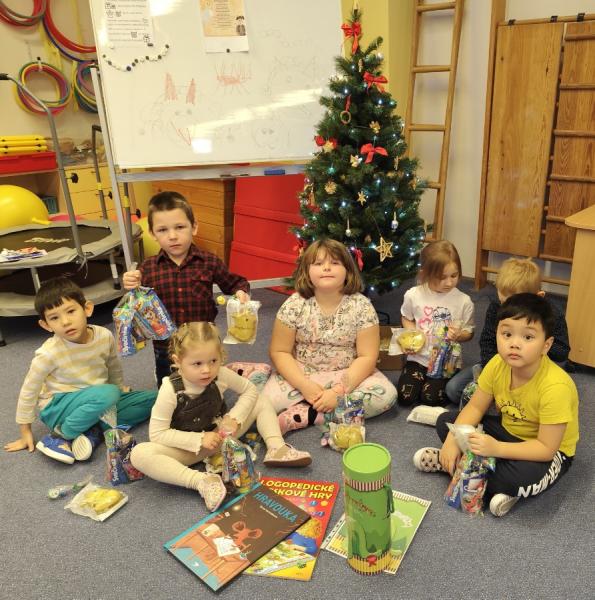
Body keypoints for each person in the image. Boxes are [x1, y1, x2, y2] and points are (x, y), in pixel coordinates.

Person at [413, 294, 579, 517]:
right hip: (508, 433)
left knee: (516, 479)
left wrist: (496, 449)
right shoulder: (497, 364)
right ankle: (469, 465)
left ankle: (461, 467)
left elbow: (546, 448)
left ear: (546, 345)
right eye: (507, 334)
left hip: (549, 450)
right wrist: (453, 440)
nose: (514, 343)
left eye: (528, 337)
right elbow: (475, 408)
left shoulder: (556, 386)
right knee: (447, 423)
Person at [130, 322, 311, 512]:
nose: (207, 370)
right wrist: (200, 439)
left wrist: (234, 418)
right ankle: (202, 481)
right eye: (197, 364)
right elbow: (157, 434)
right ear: (178, 361)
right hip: (187, 450)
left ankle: (276, 447)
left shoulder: (220, 374)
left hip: (222, 437)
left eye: (213, 361)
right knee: (139, 453)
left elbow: (249, 390)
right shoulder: (169, 389)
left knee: (261, 399)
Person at [4, 277, 157, 464]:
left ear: (87, 309)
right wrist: (25, 431)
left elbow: (113, 366)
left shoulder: (104, 335)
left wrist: (119, 390)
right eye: (54, 318)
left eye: (71, 311)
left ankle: (94, 430)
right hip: (59, 407)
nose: (65, 322)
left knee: (155, 399)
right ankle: (61, 435)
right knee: (108, 393)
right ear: (46, 325)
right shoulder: (48, 353)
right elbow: (29, 390)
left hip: (97, 399)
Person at [261, 238, 397, 434]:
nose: (326, 268)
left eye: (334, 263)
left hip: (347, 374)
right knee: (264, 404)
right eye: (318, 263)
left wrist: (339, 392)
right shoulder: (294, 304)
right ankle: (333, 411)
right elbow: (279, 351)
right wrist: (304, 385)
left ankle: (310, 413)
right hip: (303, 373)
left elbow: (367, 356)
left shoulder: (362, 306)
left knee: (386, 396)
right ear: (307, 271)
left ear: (348, 270)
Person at [122, 191, 250, 387]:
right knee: (170, 387)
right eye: (162, 230)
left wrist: (240, 292)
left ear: (194, 227)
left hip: (203, 343)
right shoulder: (147, 268)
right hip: (166, 347)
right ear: (152, 234)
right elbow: (137, 303)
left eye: (180, 227)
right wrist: (132, 282)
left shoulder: (209, 262)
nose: (172, 236)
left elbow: (235, 283)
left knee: (208, 385)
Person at [445, 257, 570, 406]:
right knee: (453, 389)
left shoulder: (553, 314)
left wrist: (535, 347)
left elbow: (562, 351)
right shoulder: (496, 307)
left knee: (531, 401)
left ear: (538, 297)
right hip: (502, 362)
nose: (507, 309)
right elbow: (487, 342)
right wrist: (496, 373)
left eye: (516, 303)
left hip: (535, 369)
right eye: (503, 301)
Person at [396, 240, 474, 407]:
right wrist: (413, 333)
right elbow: (406, 317)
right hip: (418, 357)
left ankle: (437, 384)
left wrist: (459, 335)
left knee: (430, 399)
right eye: (441, 277)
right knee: (405, 397)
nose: (449, 283)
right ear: (425, 274)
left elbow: (469, 332)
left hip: (446, 361)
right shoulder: (413, 295)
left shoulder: (464, 301)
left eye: (454, 275)